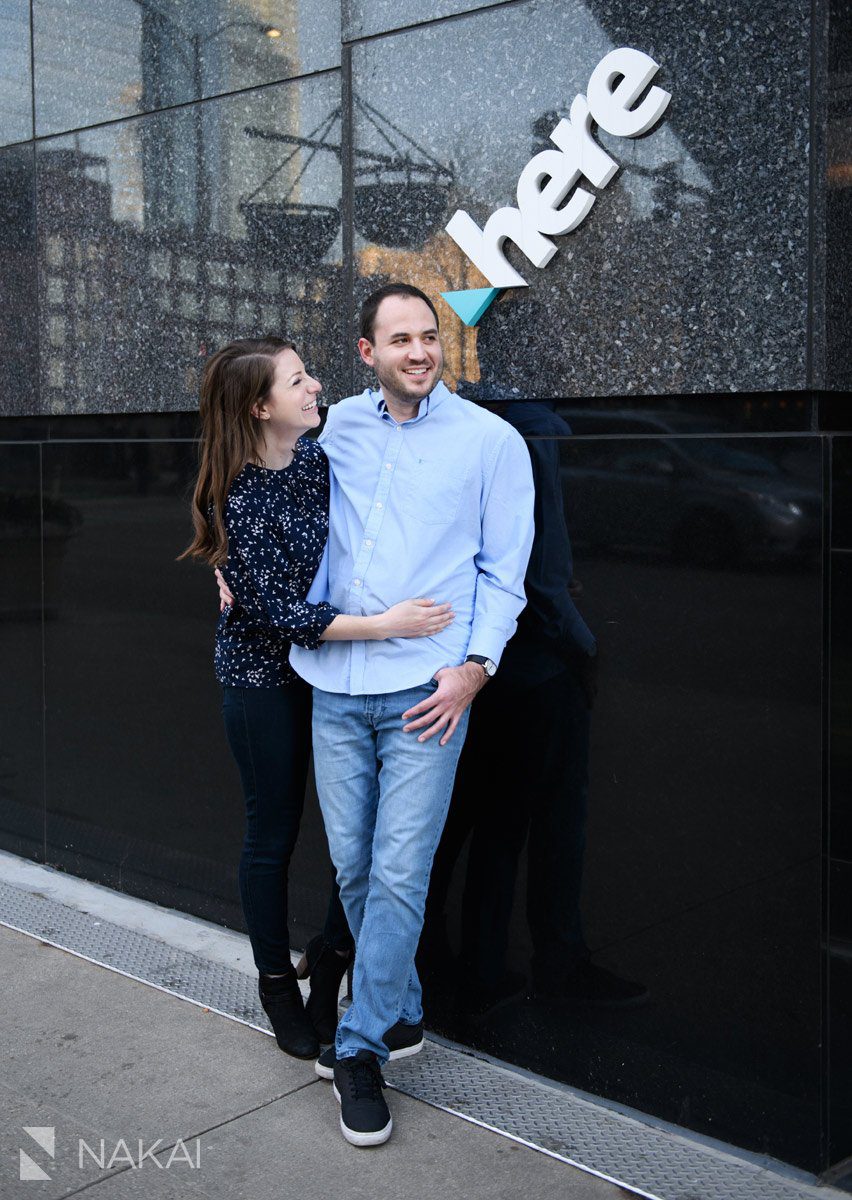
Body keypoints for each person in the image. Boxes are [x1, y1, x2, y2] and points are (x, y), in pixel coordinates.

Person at [289, 283, 535, 1147]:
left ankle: (360, 1048)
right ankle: (404, 1008)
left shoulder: (491, 444)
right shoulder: (334, 429)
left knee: (398, 872)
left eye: (430, 336)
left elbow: (507, 574)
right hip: (334, 684)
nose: (421, 351)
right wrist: (227, 564)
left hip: (430, 695)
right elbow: (251, 485)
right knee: (353, 869)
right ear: (366, 353)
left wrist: (474, 669)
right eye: (401, 339)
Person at [179, 336, 455, 1063]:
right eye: (297, 380)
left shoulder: (317, 455)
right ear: (261, 406)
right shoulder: (237, 492)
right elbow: (287, 618)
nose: (315, 387)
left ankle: (331, 967)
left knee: (353, 839)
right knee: (272, 836)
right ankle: (278, 986)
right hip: (264, 681)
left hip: (335, 678)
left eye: (309, 375)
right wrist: (388, 625)